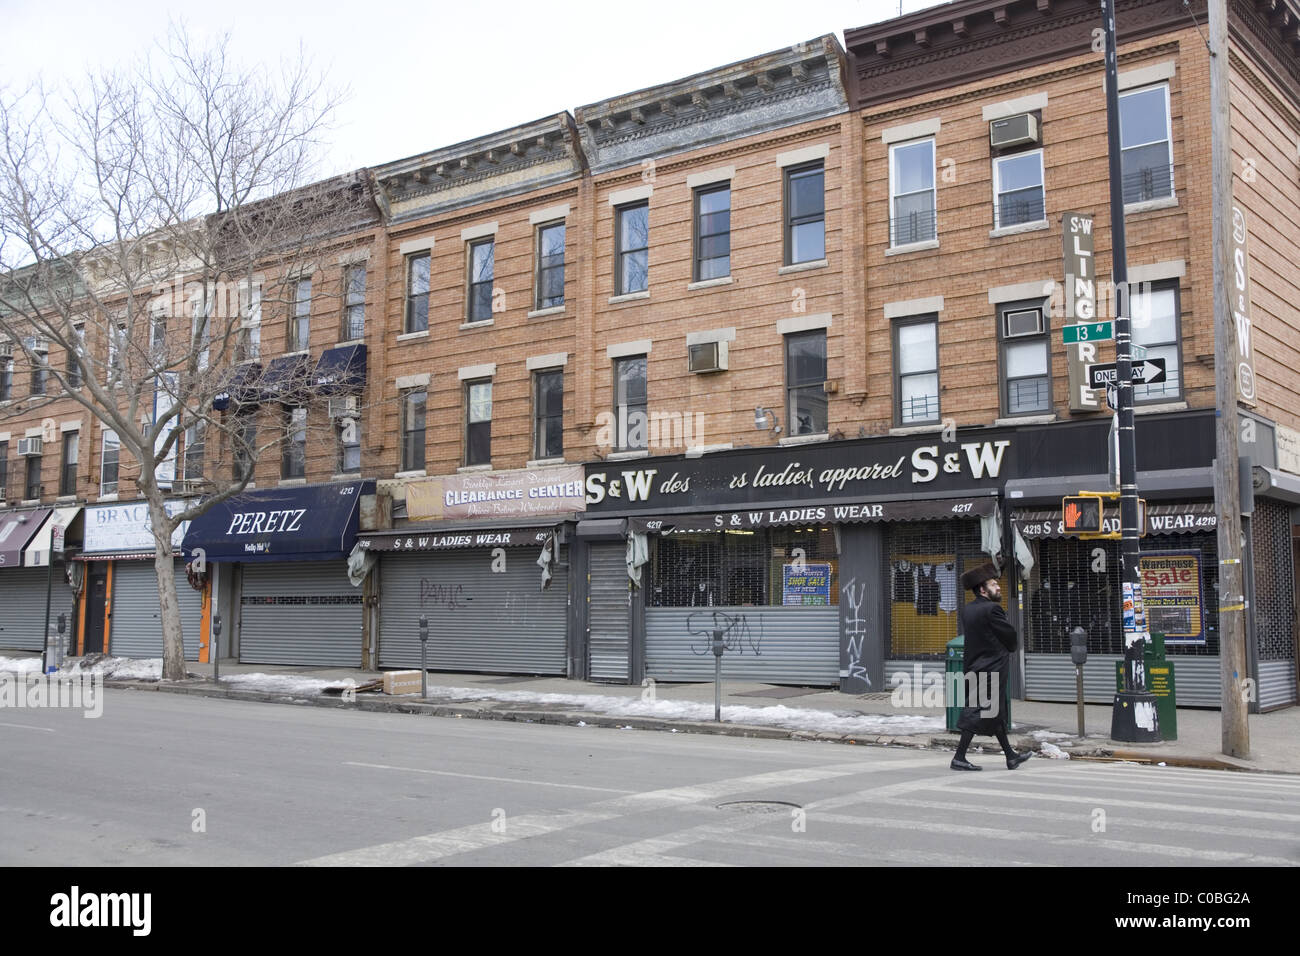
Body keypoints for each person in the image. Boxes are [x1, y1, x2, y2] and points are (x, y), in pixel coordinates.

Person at [950, 563, 1033, 771]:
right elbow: (1009, 635)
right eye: (994, 584)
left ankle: (1010, 756)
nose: (998, 587)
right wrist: (1010, 646)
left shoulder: (968, 610)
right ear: (982, 590)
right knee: (978, 710)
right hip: (990, 668)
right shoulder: (993, 609)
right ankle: (959, 757)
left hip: (974, 666)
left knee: (993, 712)